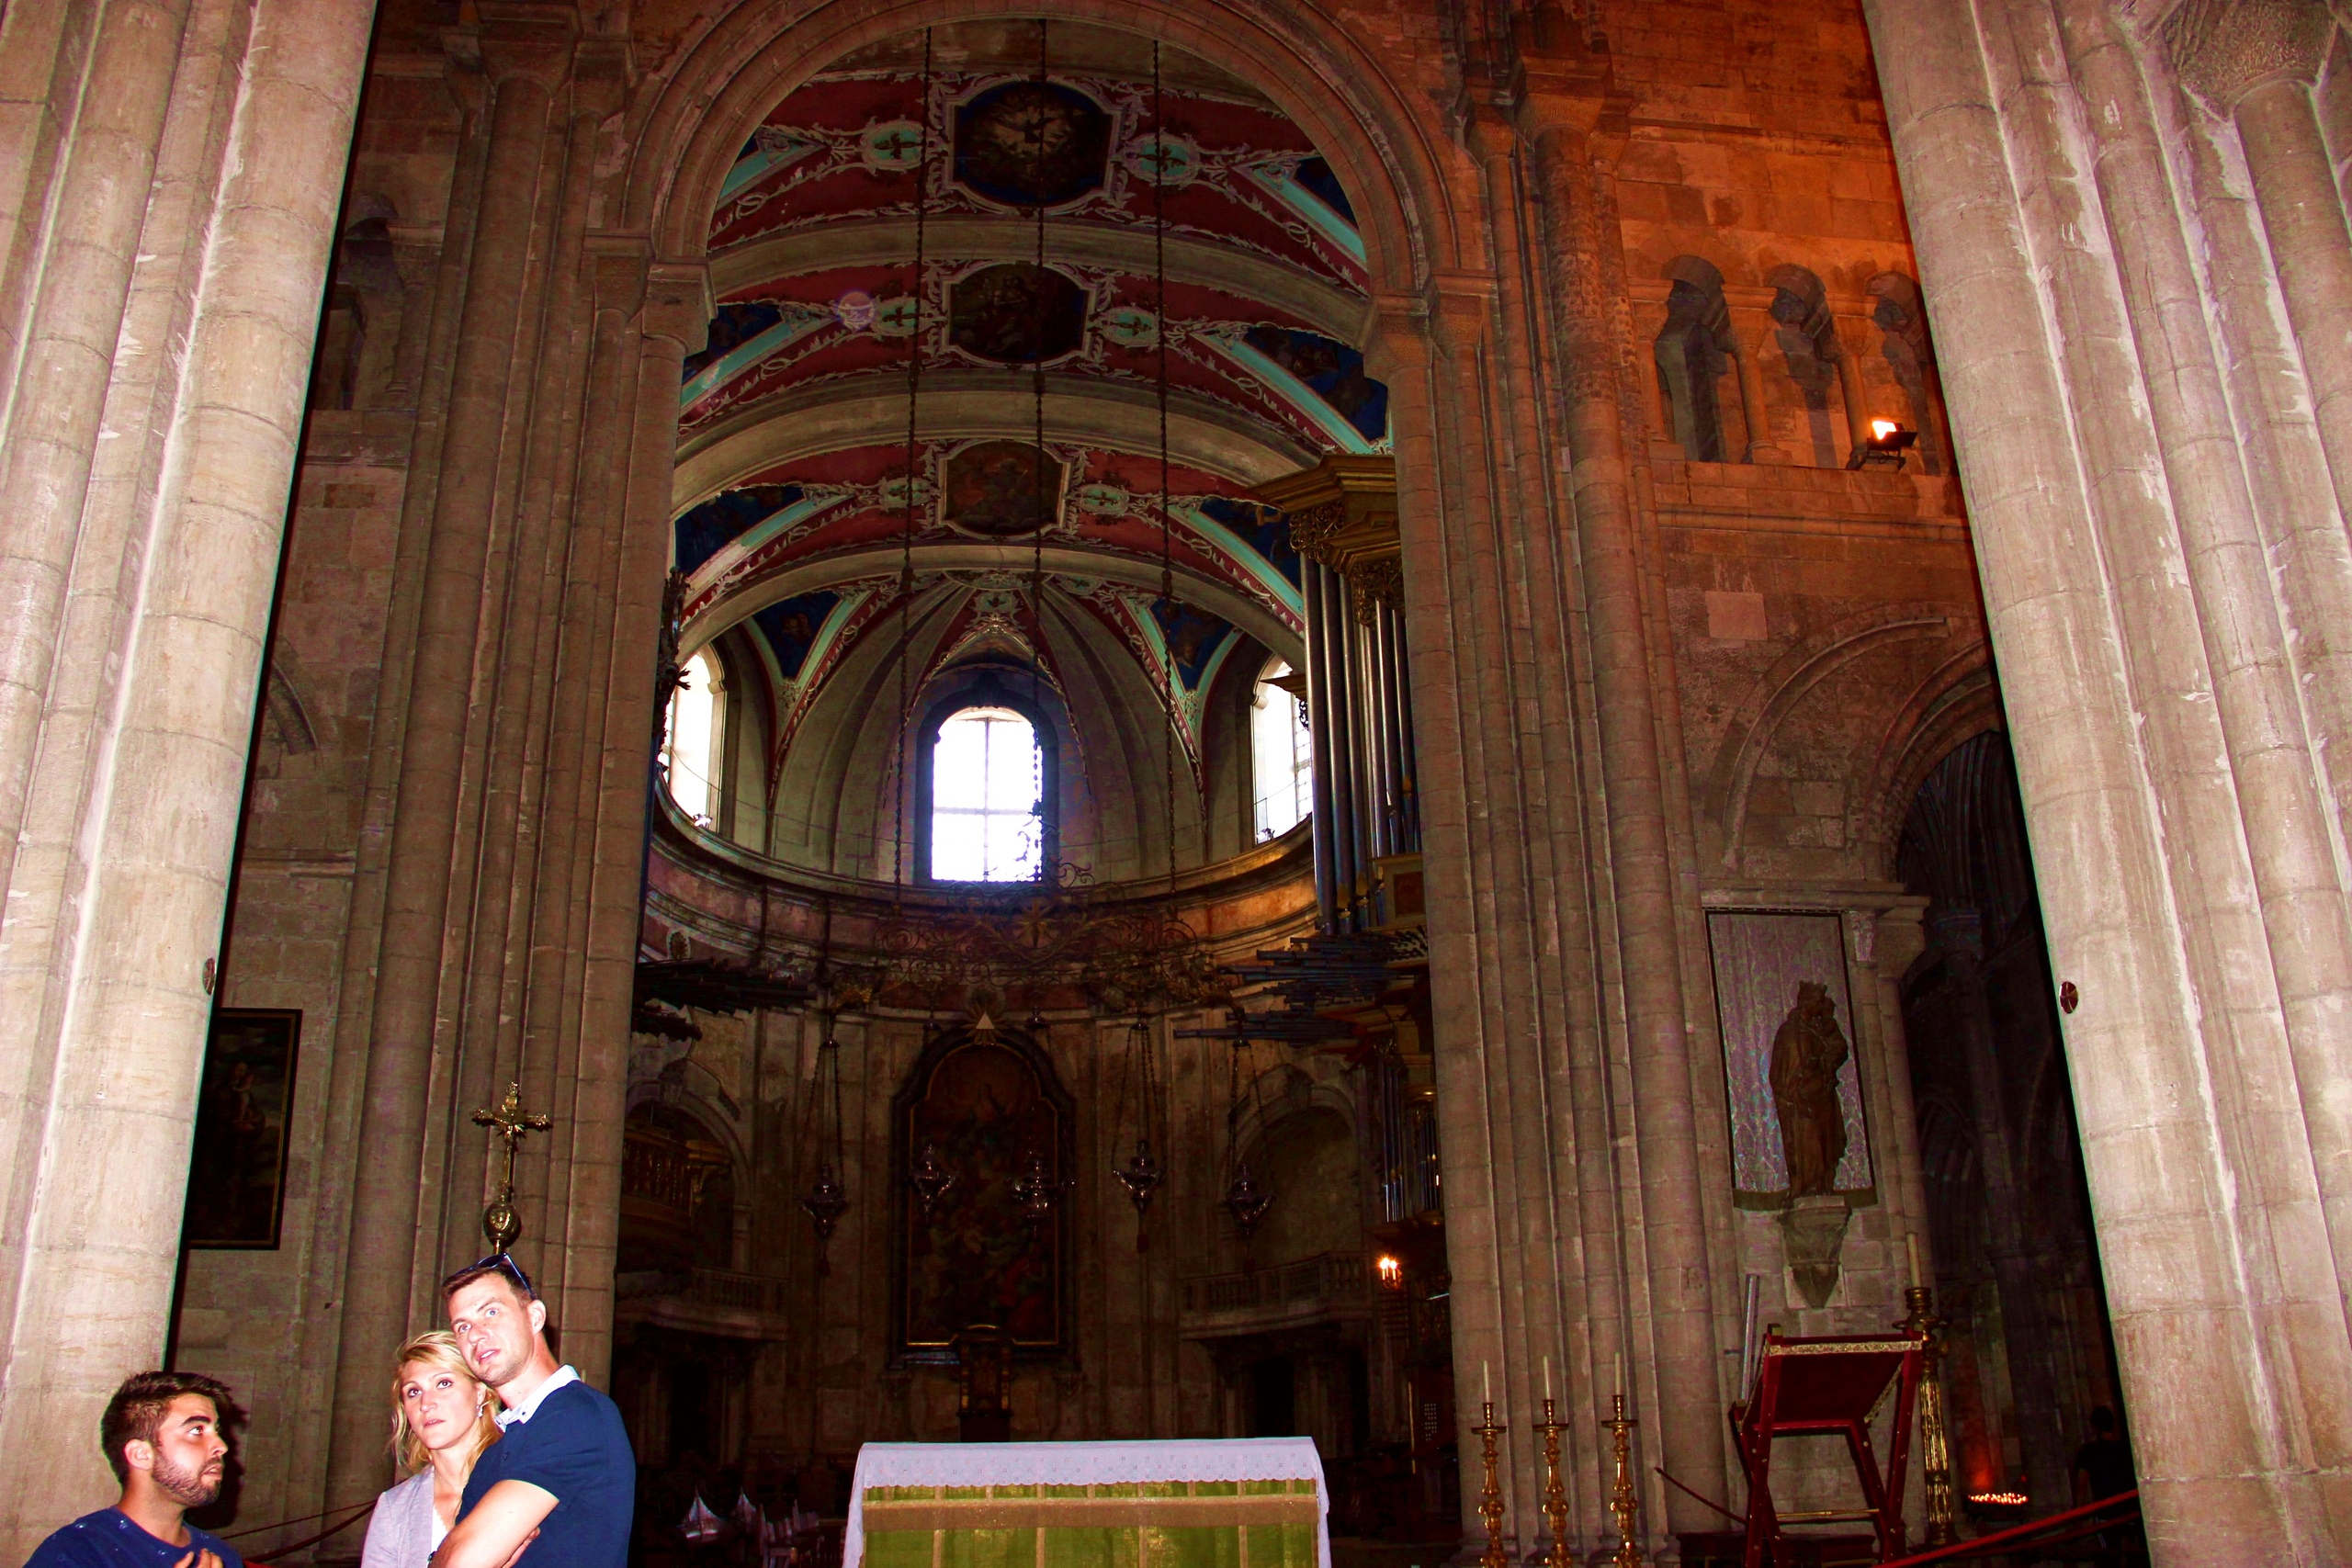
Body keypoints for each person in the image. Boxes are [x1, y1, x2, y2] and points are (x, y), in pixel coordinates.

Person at [431, 1253, 632, 1568]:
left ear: (535, 1317)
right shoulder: (492, 1455)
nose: (475, 1334)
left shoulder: (576, 1415)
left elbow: (461, 1561)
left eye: (491, 1312)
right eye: (462, 1326)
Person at [25, 1371, 242, 1568]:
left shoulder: (221, 1557)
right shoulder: (76, 1553)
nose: (221, 1446)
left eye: (217, 1431)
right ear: (141, 1455)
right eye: (196, 1430)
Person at [362, 1332, 503, 1568]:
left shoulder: (524, 1479)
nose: (426, 1404)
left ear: (479, 1393)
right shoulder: (395, 1508)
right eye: (414, 1392)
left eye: (443, 1383)